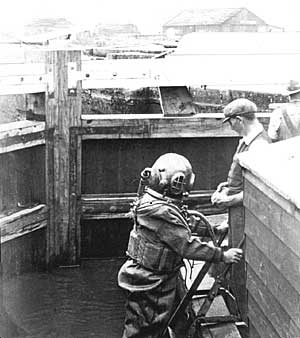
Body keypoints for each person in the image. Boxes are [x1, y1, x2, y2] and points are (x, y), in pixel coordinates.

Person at [118, 153, 243, 338]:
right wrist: (222, 255)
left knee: (159, 323)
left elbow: (183, 223)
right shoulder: (161, 212)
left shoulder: (157, 203)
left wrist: (214, 229)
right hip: (152, 283)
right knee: (145, 329)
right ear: (177, 183)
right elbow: (187, 245)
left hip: (154, 277)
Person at [211, 98, 271, 210]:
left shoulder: (259, 145)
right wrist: (229, 185)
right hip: (239, 210)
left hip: (247, 213)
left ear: (238, 120)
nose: (231, 127)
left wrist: (227, 200)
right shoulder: (247, 140)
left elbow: (261, 192)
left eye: (230, 122)